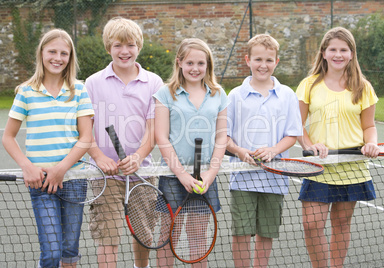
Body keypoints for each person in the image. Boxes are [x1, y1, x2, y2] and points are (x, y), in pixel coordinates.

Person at [2, 29, 94, 268]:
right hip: (40, 182)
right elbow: (8, 137)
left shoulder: (79, 90)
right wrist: (27, 167)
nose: (58, 57)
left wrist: (62, 168)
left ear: (70, 57)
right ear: (41, 53)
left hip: (73, 180)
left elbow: (85, 137)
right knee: (52, 252)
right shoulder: (26, 91)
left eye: (64, 53)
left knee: (69, 250)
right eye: (52, 51)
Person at [296, 27, 380, 268]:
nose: (338, 54)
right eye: (332, 49)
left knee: (341, 224)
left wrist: (372, 143)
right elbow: (297, 126)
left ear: (351, 54)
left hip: (351, 167)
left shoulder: (363, 87)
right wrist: (311, 145)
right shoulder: (309, 84)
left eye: (344, 49)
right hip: (318, 167)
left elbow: (369, 126)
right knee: (311, 225)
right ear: (323, 53)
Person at [85, 17, 163, 268]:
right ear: (108, 47)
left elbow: (153, 128)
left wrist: (138, 156)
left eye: (130, 45)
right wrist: (99, 157)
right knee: (108, 239)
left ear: (139, 46)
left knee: (144, 236)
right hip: (103, 175)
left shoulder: (154, 82)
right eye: (118, 45)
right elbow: (85, 129)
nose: (124, 51)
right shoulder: (93, 83)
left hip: (142, 174)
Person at [226, 34, 303, 267]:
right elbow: (224, 137)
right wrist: (240, 151)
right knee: (241, 232)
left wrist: (273, 150)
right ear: (247, 59)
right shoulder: (235, 95)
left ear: (276, 62)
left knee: (266, 233)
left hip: (275, 178)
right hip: (242, 178)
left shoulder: (288, 95)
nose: (263, 65)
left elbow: (292, 134)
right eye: (258, 59)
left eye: (269, 60)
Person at [154, 38, 228, 268]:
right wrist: (182, 175)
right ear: (179, 63)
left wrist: (210, 174)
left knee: (198, 240)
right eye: (189, 63)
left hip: (204, 179)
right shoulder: (165, 93)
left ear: (208, 65)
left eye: (200, 63)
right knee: (168, 239)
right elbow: (161, 137)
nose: (195, 68)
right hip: (173, 177)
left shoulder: (218, 94)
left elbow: (221, 137)